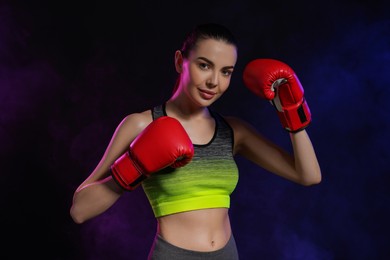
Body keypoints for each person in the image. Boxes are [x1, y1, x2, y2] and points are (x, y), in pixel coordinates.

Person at [70, 23, 322, 259]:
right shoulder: (141, 125)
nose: (214, 81)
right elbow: (79, 211)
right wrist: (134, 167)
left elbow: (308, 175)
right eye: (204, 65)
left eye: (226, 72)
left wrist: (291, 110)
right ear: (181, 62)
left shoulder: (233, 131)